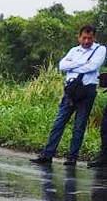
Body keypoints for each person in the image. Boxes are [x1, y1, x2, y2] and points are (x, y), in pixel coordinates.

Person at [31, 26, 106, 166]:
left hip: (87, 91)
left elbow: (93, 67)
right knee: (58, 123)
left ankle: (72, 157)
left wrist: (73, 65)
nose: (86, 41)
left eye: (90, 38)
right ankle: (47, 154)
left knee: (79, 125)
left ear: (94, 38)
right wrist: (82, 63)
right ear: (79, 37)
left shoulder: (100, 49)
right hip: (70, 91)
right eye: (84, 38)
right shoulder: (73, 50)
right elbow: (62, 66)